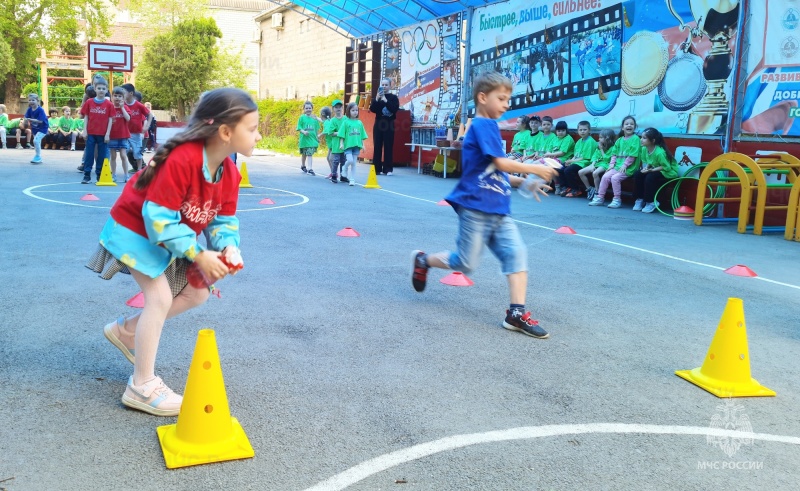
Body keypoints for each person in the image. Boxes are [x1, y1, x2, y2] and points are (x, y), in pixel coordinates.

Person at [87, 87, 260, 417]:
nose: (258, 135)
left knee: (197, 294)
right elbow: (157, 218)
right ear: (225, 132)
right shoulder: (184, 159)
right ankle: (141, 386)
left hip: (168, 236)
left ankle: (126, 331)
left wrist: (227, 247)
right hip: (135, 231)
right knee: (160, 298)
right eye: (251, 129)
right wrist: (198, 254)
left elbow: (223, 219)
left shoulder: (231, 172)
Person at [410, 72, 558, 339]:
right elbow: (501, 164)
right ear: (482, 97)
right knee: (465, 263)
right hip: (476, 208)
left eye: (508, 99)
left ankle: (516, 312)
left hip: (499, 208)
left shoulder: (488, 127)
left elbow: (494, 171)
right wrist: (533, 168)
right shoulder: (481, 126)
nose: (506, 104)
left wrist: (525, 183)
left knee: (516, 253)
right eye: (501, 98)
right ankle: (424, 260)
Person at [590, 115, 641, 208]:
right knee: (605, 176)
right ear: (622, 127)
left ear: (635, 127)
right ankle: (600, 198)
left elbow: (632, 155)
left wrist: (625, 165)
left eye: (632, 124)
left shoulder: (636, 139)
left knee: (615, 178)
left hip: (629, 168)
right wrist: (611, 165)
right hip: (617, 166)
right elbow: (614, 154)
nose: (629, 125)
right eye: (627, 124)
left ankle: (617, 199)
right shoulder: (619, 140)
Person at [633, 128, 678, 213]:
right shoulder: (644, 149)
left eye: (644, 138)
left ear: (653, 140)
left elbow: (666, 167)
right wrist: (646, 168)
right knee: (638, 174)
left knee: (650, 177)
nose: (641, 140)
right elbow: (648, 161)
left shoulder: (660, 152)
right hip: (655, 168)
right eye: (641, 137)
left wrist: (651, 170)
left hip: (668, 172)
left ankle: (651, 202)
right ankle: (639, 199)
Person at [80, 77, 114, 184]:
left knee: (102, 155)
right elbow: (85, 117)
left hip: (103, 135)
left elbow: (110, 119)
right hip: (91, 133)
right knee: (89, 154)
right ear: (95, 89)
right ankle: (87, 175)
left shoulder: (109, 104)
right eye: (99, 88)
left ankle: (99, 175)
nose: (101, 90)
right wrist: (84, 130)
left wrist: (108, 133)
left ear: (107, 90)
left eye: (103, 89)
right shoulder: (89, 102)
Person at [369, 77, 400, 175]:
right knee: (377, 146)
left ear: (390, 86)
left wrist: (385, 100)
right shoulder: (378, 97)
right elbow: (372, 109)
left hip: (389, 124)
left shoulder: (393, 98)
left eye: (386, 85)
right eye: (383, 85)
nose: (384, 86)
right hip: (378, 123)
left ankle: (388, 169)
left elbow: (394, 109)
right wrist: (377, 99)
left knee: (388, 146)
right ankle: (377, 169)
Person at [121, 83, 152, 173]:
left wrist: (146, 126)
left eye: (124, 92)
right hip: (125, 133)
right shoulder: (122, 105)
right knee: (124, 151)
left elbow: (149, 114)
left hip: (136, 133)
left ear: (131, 93)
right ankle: (125, 170)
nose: (122, 94)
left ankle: (139, 169)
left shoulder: (138, 105)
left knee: (137, 152)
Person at [561, 120, 597, 197]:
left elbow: (585, 158)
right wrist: (570, 161)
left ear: (589, 130)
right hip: (577, 161)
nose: (582, 132)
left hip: (585, 163)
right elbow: (576, 155)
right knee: (562, 166)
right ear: (578, 131)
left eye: (585, 130)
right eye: (580, 130)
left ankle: (576, 189)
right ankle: (568, 187)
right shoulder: (579, 141)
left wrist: (572, 161)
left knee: (568, 170)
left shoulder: (590, 141)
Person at [579, 128, 616, 200]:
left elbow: (607, 159)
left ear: (607, 138)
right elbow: (595, 156)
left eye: (601, 137)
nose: (599, 139)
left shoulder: (613, 148)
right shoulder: (599, 146)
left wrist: (602, 149)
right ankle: (589, 189)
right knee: (580, 172)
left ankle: (597, 191)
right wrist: (592, 165)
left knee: (595, 173)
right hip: (597, 163)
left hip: (605, 164)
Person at [337, 102, 368, 186]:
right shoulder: (346, 122)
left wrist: (363, 145)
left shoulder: (359, 123)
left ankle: (352, 179)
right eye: (353, 110)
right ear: (348, 111)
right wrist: (341, 143)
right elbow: (341, 134)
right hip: (348, 146)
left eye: (356, 110)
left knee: (354, 163)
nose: (355, 112)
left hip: (357, 146)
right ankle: (345, 167)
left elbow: (362, 135)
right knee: (350, 160)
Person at [544, 120, 574, 195]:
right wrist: (549, 154)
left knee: (549, 165)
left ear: (566, 131)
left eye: (563, 130)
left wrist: (550, 155)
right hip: (553, 158)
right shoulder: (555, 138)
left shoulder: (568, 138)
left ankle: (556, 185)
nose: (560, 132)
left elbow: (562, 153)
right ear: (556, 131)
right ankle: (544, 182)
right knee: (537, 163)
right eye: (559, 131)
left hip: (564, 159)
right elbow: (548, 150)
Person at [108, 86, 132, 182]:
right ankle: (113, 175)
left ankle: (126, 175)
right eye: (115, 95)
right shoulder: (109, 107)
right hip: (112, 135)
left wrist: (122, 108)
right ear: (112, 97)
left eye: (119, 96)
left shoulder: (125, 107)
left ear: (123, 98)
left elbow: (128, 118)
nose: (117, 98)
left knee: (123, 155)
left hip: (123, 135)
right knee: (113, 156)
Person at [24, 93, 49, 164]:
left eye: (33, 100)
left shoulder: (40, 110)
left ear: (37, 101)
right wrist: (25, 120)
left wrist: (30, 119)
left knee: (35, 141)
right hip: (35, 128)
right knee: (37, 142)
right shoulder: (29, 109)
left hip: (43, 128)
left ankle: (38, 156)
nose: (31, 101)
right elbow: (26, 117)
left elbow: (40, 121)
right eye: (29, 100)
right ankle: (38, 156)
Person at [296, 101, 319, 175]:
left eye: (310, 108)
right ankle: (303, 165)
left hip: (312, 139)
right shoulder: (302, 118)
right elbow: (299, 127)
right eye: (306, 108)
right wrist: (303, 132)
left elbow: (316, 129)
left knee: (310, 153)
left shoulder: (314, 118)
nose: (308, 109)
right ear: (304, 109)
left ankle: (310, 168)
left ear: (312, 109)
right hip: (304, 140)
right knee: (304, 154)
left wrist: (317, 137)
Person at [326, 100, 346, 183]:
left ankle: (343, 175)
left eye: (340, 107)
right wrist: (340, 133)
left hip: (345, 144)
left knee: (344, 161)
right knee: (336, 160)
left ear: (342, 108)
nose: (338, 109)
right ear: (333, 109)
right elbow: (330, 133)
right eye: (336, 107)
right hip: (336, 144)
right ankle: (334, 175)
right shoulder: (333, 121)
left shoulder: (345, 118)